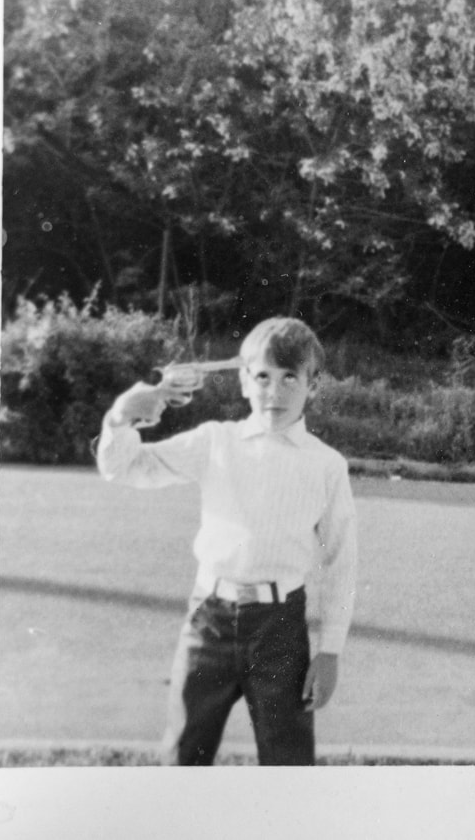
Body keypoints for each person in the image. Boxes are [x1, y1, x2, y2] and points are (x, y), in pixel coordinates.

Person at [95, 316, 357, 766]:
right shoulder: (216, 442)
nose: (274, 393)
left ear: (312, 385)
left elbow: (340, 560)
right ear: (243, 381)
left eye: (290, 378)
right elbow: (125, 467)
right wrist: (120, 417)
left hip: (280, 629)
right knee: (183, 755)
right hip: (209, 620)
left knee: (288, 762)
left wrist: (330, 650)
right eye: (263, 377)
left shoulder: (326, 465)